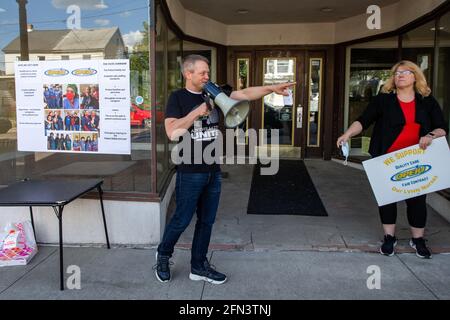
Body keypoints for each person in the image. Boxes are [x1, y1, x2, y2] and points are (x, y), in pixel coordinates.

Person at [154, 54, 295, 284]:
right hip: (189, 172)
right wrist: (196, 112)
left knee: (207, 221)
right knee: (181, 219)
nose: (207, 76)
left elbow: (246, 94)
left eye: (208, 72)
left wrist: (272, 88)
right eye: (202, 73)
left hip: (213, 171)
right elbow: (172, 132)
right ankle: (163, 254)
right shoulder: (177, 97)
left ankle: (198, 266)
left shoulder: (214, 92)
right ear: (188, 74)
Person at [337, 60, 447, 259]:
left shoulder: (427, 101)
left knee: (417, 200)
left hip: (417, 159)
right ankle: (389, 238)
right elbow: (363, 120)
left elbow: (441, 127)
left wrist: (430, 135)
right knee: (387, 200)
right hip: (386, 158)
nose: (400, 75)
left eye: (405, 72)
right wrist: (347, 134)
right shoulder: (383, 100)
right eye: (397, 73)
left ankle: (418, 240)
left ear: (415, 76)